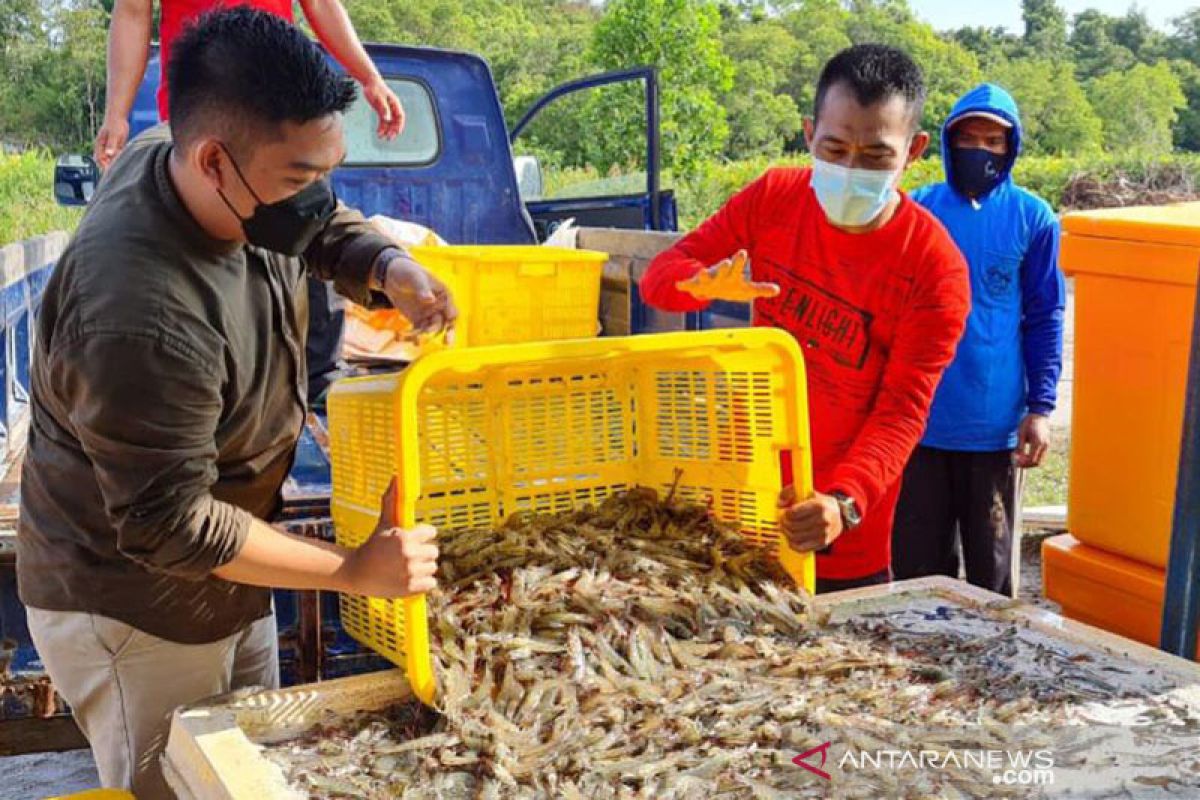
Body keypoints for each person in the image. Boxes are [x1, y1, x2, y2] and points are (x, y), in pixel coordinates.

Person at [17, 11, 454, 798]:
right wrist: (354, 570)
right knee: (176, 784)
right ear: (215, 160)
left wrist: (388, 267)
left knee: (246, 765)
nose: (316, 195)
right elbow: (168, 523)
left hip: (230, 564)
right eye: (297, 178)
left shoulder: (194, 161)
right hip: (131, 602)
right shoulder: (138, 313)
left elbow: (314, 224)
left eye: (328, 170)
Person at [640, 44, 970, 594]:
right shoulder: (775, 197)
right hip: (746, 495)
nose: (849, 169)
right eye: (834, 147)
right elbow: (660, 277)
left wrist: (842, 502)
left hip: (843, 533)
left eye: (874, 157)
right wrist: (697, 286)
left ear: (912, 152)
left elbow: (901, 412)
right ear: (808, 132)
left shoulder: (935, 269)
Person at [893, 83, 1066, 596]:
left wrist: (1041, 406)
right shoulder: (916, 211)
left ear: (1010, 149)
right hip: (921, 422)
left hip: (994, 428)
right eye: (970, 139)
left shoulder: (1033, 217)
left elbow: (1044, 314)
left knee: (991, 575)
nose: (982, 152)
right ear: (948, 143)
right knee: (918, 569)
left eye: (994, 142)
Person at [94, 0, 404, 168]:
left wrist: (369, 77)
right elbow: (133, 12)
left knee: (292, 232)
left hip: (283, 112)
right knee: (199, 240)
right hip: (198, 117)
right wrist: (116, 113)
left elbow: (321, 3)